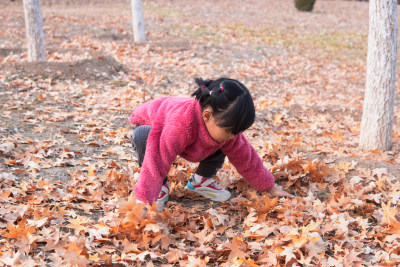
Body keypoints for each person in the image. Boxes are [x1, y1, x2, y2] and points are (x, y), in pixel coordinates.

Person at [130, 77, 293, 210]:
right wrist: (143, 202)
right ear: (207, 116)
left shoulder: (223, 129)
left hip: (194, 137)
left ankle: (200, 180)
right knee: (143, 136)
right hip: (154, 126)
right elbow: (157, 161)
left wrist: (269, 187)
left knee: (225, 141)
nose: (233, 136)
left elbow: (247, 159)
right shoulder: (179, 125)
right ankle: (161, 186)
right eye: (230, 130)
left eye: (236, 132)